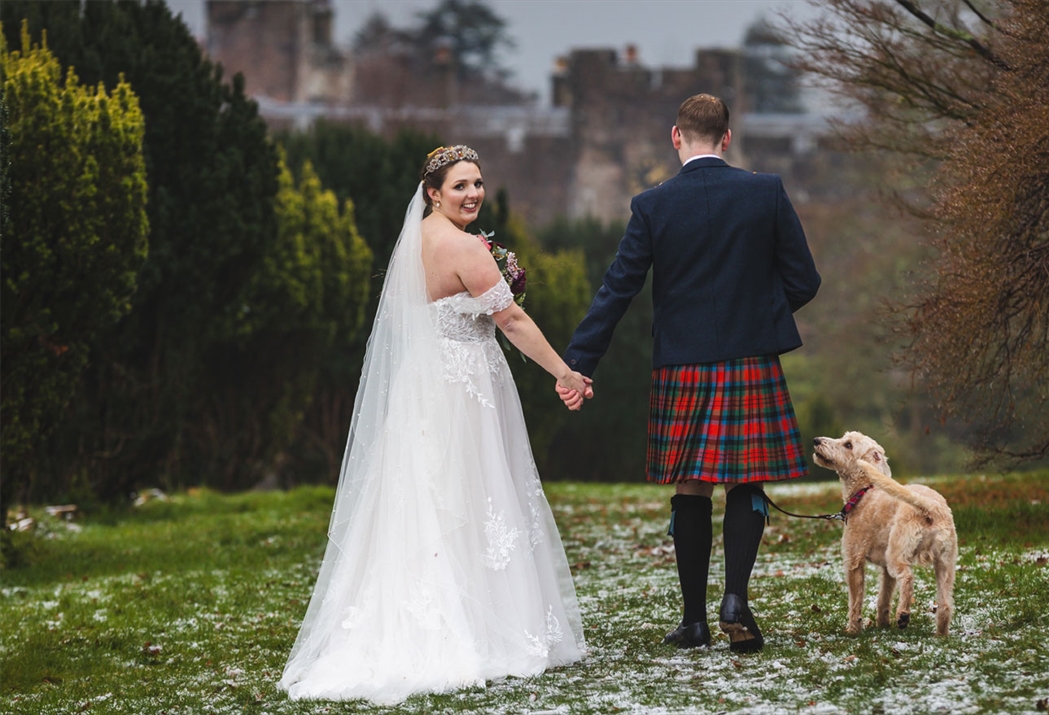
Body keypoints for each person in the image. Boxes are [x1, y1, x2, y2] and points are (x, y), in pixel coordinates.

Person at [279, 145, 591, 704]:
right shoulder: (466, 248)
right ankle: (475, 624)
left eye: (477, 183)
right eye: (459, 186)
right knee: (472, 492)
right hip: (462, 386)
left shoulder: (415, 240)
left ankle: (433, 609)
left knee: (425, 493)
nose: (472, 193)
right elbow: (512, 320)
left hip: (422, 385)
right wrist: (565, 372)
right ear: (433, 193)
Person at [560, 95, 821, 653]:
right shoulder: (764, 191)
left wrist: (578, 364)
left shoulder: (653, 205)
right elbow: (804, 279)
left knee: (691, 482)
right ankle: (737, 601)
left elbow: (617, 290)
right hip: (750, 360)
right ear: (727, 138)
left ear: (675, 138)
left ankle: (694, 621)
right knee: (745, 478)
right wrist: (760, 320)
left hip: (681, 364)